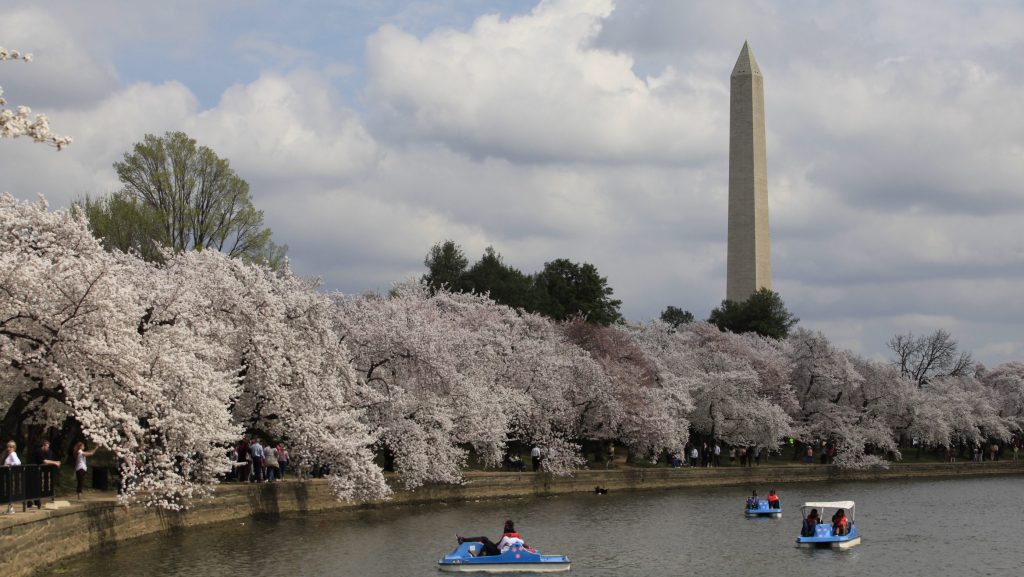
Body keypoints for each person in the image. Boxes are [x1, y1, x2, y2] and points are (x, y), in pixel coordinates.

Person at [458, 520, 527, 557]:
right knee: (486, 544)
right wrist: (528, 548)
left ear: (507, 526)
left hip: (499, 551)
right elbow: (521, 544)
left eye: (505, 525)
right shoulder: (516, 535)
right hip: (501, 550)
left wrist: (493, 545)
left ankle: (464, 540)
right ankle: (479, 555)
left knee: (484, 539)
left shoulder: (506, 535)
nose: (504, 526)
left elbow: (499, 546)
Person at [30, 440, 61, 508]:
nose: (48, 448)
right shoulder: (39, 451)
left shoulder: (42, 452)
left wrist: (55, 462)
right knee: (34, 486)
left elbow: (47, 459)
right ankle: (33, 502)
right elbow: (45, 461)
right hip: (32, 470)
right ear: (43, 446)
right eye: (47, 447)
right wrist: (55, 463)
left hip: (36, 470)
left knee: (36, 486)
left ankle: (35, 502)